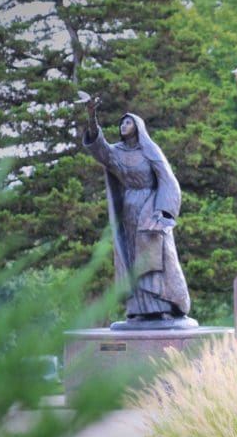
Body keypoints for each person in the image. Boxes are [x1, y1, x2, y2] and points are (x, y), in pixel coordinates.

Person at [83, 96, 194, 328]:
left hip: (151, 208)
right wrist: (92, 117)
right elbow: (99, 149)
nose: (123, 126)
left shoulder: (149, 150)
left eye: (128, 122)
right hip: (129, 209)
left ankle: (165, 306)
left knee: (157, 256)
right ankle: (138, 310)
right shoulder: (116, 152)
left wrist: (164, 212)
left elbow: (168, 179)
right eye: (122, 123)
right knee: (133, 258)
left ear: (138, 127)